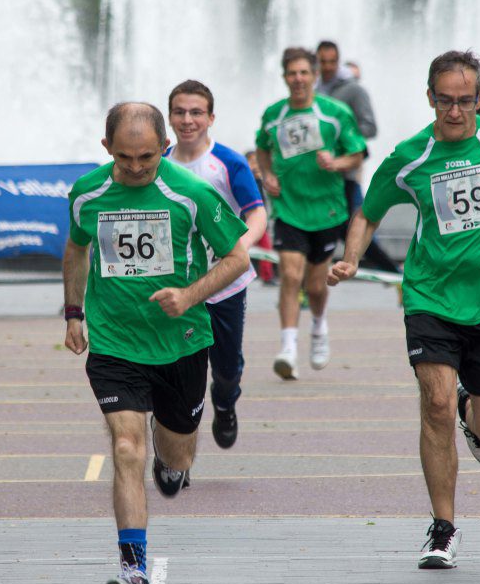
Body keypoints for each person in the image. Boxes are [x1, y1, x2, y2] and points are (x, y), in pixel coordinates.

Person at [327, 50, 480, 569]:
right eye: (445, 101)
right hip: (431, 296)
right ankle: (443, 528)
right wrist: (350, 259)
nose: (455, 111)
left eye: (465, 101)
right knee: (433, 402)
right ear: (430, 98)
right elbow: (367, 213)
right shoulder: (412, 156)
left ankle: (473, 410)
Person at [63, 102, 249, 584]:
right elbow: (77, 248)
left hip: (181, 344)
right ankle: (133, 570)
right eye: (125, 158)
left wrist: (189, 296)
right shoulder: (87, 193)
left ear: (165, 147)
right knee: (126, 449)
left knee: (175, 456)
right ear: (107, 150)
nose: (138, 167)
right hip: (115, 343)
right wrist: (74, 312)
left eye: (147, 156)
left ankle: (174, 466)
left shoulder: (191, 194)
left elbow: (238, 258)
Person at [164, 80, 267, 449]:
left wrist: (237, 249)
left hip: (225, 285)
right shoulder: (158, 164)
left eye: (196, 113)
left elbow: (257, 214)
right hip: (178, 288)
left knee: (225, 370)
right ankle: (176, 450)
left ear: (211, 117)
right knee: (176, 370)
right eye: (179, 112)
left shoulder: (228, 162)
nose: (187, 120)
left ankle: (225, 404)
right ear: (170, 116)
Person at [255, 47, 367, 380]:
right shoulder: (274, 114)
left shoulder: (335, 112)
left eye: (305, 72)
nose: (299, 79)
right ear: (285, 77)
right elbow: (262, 148)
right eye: (292, 73)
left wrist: (337, 162)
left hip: (327, 209)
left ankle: (318, 326)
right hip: (289, 207)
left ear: (314, 76)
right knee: (290, 275)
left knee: (316, 287)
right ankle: (287, 347)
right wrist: (268, 174)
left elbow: (357, 153)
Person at [315, 41, 400, 274]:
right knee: (321, 230)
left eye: (332, 61)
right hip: (317, 176)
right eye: (322, 61)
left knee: (355, 227)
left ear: (338, 60)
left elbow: (370, 127)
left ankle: (395, 274)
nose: (327, 66)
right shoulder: (312, 90)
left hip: (345, 172)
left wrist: (340, 140)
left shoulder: (353, 90)